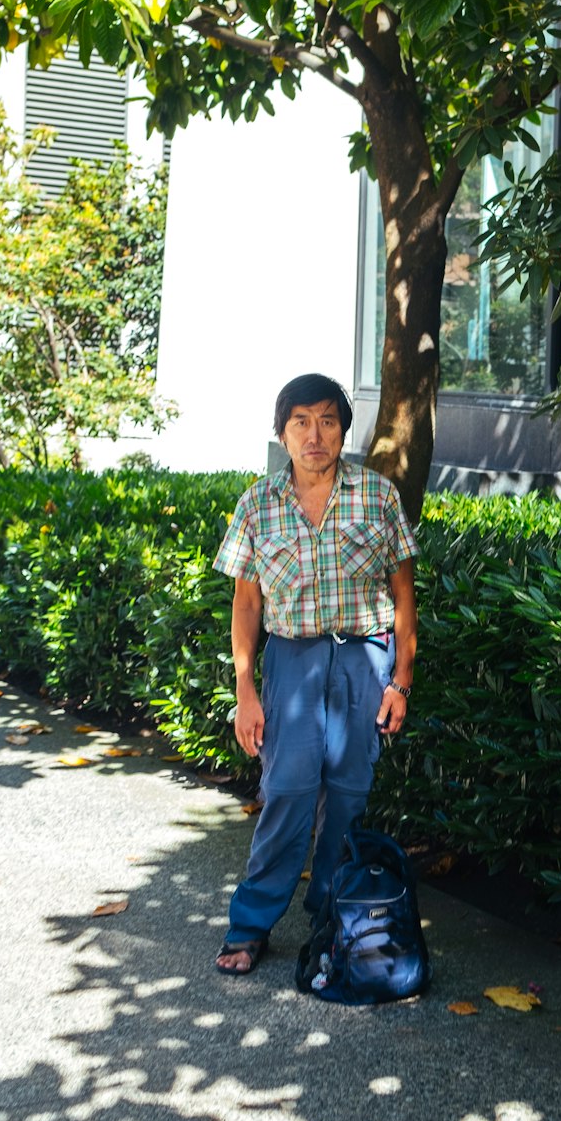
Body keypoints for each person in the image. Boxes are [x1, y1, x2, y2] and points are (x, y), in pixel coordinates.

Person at [212, 372, 418, 975]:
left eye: (328, 419)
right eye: (300, 421)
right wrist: (246, 692)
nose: (315, 433)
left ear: (344, 430)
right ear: (282, 432)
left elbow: (404, 596)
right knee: (287, 793)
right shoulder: (257, 504)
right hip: (292, 660)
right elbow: (246, 605)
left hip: (364, 659)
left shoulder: (377, 496)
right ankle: (250, 926)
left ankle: (333, 922)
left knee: (349, 797)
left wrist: (401, 680)